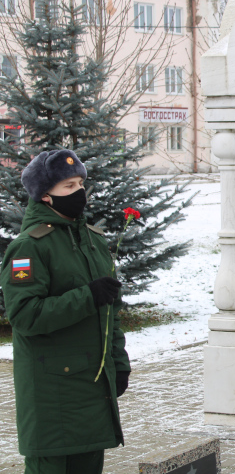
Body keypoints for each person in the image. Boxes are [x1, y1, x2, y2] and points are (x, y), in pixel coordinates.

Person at [1, 149, 129, 474]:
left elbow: (109, 312)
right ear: (45, 196)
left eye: (80, 183)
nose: (79, 192)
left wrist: (119, 362)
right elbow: (25, 315)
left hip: (92, 388)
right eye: (67, 187)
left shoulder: (93, 241)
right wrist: (87, 296)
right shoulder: (28, 247)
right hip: (52, 393)